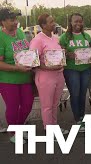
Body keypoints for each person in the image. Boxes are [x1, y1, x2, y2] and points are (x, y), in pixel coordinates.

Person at [29, 14, 69, 134]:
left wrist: (63, 55)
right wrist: (48, 67)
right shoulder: (37, 40)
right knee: (47, 105)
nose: (54, 24)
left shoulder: (55, 38)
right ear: (43, 25)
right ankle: (48, 129)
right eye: (51, 22)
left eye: (53, 21)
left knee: (55, 104)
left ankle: (54, 127)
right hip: (45, 76)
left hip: (59, 75)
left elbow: (58, 56)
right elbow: (32, 61)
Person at [0, 8, 34, 143]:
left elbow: (26, 52)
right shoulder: (1, 37)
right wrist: (16, 68)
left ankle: (18, 129)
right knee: (13, 107)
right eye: (12, 20)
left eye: (16, 19)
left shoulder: (20, 32)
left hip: (25, 77)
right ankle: (14, 133)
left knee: (27, 105)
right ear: (2, 21)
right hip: (8, 79)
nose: (16, 22)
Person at [59, 13, 91, 131]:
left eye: (80, 21)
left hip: (85, 69)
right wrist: (68, 54)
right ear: (70, 23)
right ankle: (77, 119)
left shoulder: (87, 36)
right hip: (71, 70)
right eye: (75, 21)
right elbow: (60, 54)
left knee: (83, 94)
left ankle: (82, 117)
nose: (78, 24)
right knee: (75, 94)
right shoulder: (64, 37)